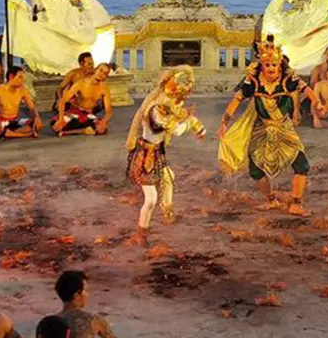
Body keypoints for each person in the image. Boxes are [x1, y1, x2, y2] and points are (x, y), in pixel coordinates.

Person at [218, 37, 312, 216]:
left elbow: (305, 89)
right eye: (267, 65)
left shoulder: (287, 79)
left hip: (284, 128)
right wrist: (224, 122)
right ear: (262, 66)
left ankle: (296, 203)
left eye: (274, 65)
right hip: (262, 128)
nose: (270, 68)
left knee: (301, 164)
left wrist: (317, 103)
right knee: (255, 169)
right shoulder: (253, 82)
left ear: (279, 66)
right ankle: (271, 200)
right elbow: (237, 100)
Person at [125, 66, 206, 241]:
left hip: (157, 155)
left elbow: (182, 117)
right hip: (146, 157)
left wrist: (195, 125)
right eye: (177, 98)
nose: (179, 103)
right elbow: (176, 130)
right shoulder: (156, 110)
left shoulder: (167, 108)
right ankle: (141, 232)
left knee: (169, 177)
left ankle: (167, 212)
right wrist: (190, 122)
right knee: (151, 199)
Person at [55, 63, 114, 136]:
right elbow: (62, 102)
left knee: (101, 129)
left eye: (105, 73)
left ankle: (70, 132)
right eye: (100, 70)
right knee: (57, 126)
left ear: (106, 77)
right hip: (75, 112)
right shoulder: (81, 83)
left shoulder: (104, 88)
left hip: (89, 115)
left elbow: (109, 110)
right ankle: (82, 129)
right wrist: (61, 119)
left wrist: (103, 121)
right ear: (95, 70)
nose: (101, 74)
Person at [0, 66, 42, 139]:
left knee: (35, 123)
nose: (22, 80)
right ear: (11, 77)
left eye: (23, 78)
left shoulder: (22, 89)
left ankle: (11, 133)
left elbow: (32, 107)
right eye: (20, 77)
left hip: (15, 121)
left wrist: (37, 117)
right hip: (1, 122)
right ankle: (25, 134)